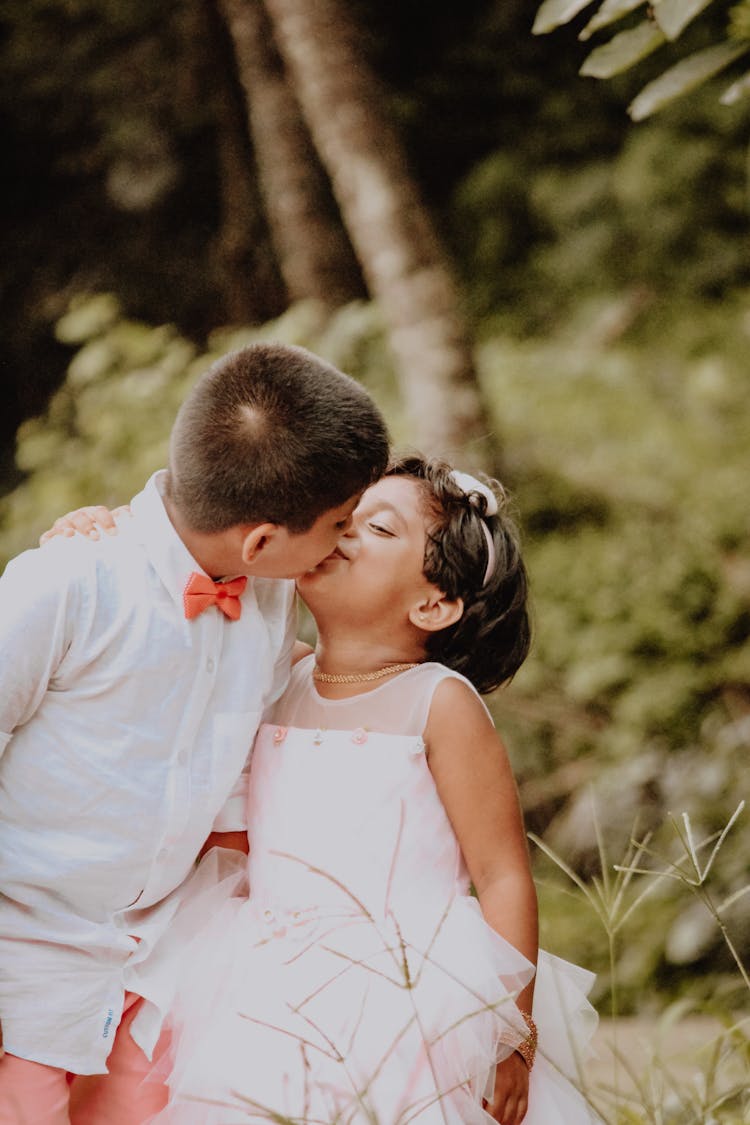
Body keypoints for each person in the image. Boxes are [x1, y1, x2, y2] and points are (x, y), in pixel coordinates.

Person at [54, 456, 600, 1124]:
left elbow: (504, 874)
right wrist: (111, 541)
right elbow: (166, 625)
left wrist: (511, 1032)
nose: (341, 532)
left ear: (433, 603)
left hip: (405, 992)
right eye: (344, 516)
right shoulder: (274, 672)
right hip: (258, 984)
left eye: (377, 527)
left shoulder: (437, 703)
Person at [0, 342, 390, 1125]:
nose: (345, 541)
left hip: (157, 960)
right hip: (28, 956)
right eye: (341, 523)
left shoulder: (272, 603)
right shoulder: (68, 583)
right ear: (260, 541)